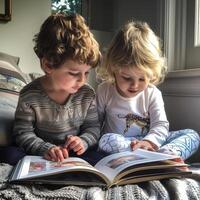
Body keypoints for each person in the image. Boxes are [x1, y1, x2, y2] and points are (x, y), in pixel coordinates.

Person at [4, 13, 105, 166]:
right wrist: (44, 148)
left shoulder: (87, 94)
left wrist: (83, 141)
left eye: (86, 73)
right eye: (74, 73)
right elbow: (23, 133)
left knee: (101, 158)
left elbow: (93, 128)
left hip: (73, 153)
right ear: (48, 65)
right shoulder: (29, 95)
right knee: (9, 155)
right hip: (40, 153)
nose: (82, 80)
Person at [96, 20, 200, 160]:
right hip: (121, 144)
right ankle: (150, 157)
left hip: (150, 143)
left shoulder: (152, 93)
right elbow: (94, 124)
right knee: (105, 139)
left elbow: (160, 124)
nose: (135, 85)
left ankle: (165, 156)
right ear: (113, 69)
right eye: (127, 78)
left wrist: (149, 141)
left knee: (192, 135)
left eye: (142, 79)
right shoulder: (105, 90)